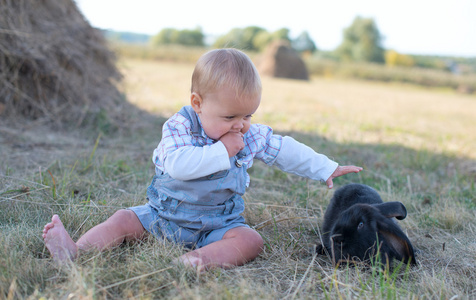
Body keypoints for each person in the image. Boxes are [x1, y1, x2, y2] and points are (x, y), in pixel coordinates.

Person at [43, 48, 362, 270]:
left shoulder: (244, 133)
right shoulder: (179, 128)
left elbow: (282, 149)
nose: (240, 124)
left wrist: (325, 167)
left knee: (251, 240)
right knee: (123, 220)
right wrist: (222, 151)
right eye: (230, 116)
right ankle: (76, 251)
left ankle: (200, 260)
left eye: (248, 114)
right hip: (162, 219)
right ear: (197, 103)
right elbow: (179, 166)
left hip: (218, 225)